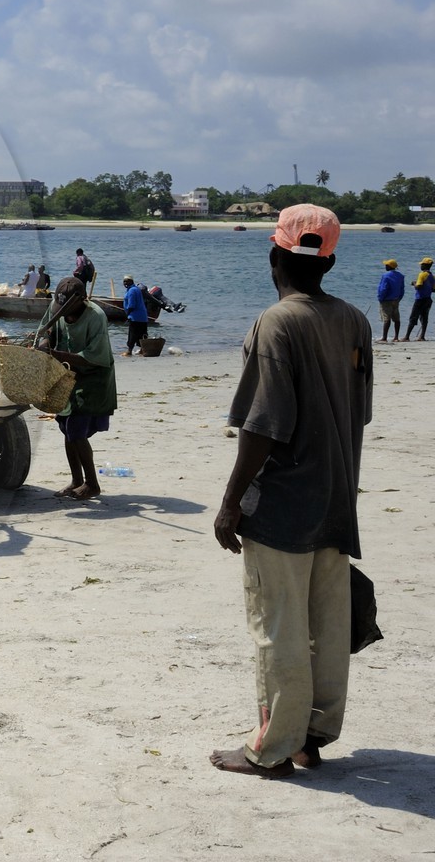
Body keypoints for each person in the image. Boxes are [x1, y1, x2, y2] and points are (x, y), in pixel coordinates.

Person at [209, 204, 372, 779]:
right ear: (328, 260)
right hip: (335, 496)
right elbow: (358, 414)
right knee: (325, 624)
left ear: (275, 254)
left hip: (282, 502)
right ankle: (313, 736)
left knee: (277, 626)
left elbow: (262, 423)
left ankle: (273, 747)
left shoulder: (276, 323)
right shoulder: (354, 321)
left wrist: (231, 502)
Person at [37, 276, 118, 500]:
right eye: (59, 308)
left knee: (76, 429)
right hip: (68, 375)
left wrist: (56, 354)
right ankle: (76, 480)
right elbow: (44, 332)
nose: (63, 314)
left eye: (68, 309)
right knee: (66, 425)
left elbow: (95, 357)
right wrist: (44, 344)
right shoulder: (56, 309)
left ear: (82, 301)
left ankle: (92, 484)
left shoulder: (96, 317)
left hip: (93, 377)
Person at [404, 256, 433, 341]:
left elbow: (418, 287)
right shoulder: (432, 276)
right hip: (428, 299)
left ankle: (407, 337)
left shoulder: (422, 274)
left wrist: (414, 283)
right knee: (424, 318)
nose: (421, 266)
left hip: (420, 299)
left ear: (425, 265)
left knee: (413, 317)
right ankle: (422, 336)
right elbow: (433, 289)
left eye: (422, 265)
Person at [121, 275, 150, 356]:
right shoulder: (136, 289)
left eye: (127, 281)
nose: (125, 283)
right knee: (143, 333)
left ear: (131, 281)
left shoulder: (132, 291)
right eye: (124, 281)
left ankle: (129, 351)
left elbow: (131, 305)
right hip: (143, 316)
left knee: (132, 334)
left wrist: (127, 314)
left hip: (135, 316)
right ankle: (142, 350)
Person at [377, 258, 404, 342]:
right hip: (396, 299)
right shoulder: (400, 276)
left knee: (386, 319)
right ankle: (396, 337)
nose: (385, 266)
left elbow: (384, 288)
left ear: (389, 267)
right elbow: (402, 289)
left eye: (386, 265)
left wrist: (380, 298)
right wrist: (399, 298)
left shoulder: (386, 276)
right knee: (396, 319)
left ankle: (384, 337)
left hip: (386, 300)